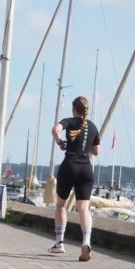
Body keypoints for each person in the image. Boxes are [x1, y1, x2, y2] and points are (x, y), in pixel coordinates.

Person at [49, 97, 100, 260]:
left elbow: (55, 129)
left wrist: (60, 142)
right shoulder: (93, 127)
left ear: (74, 108)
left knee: (61, 205)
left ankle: (59, 243)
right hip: (86, 168)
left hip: (69, 165)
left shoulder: (69, 121)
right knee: (84, 208)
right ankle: (86, 241)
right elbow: (96, 151)